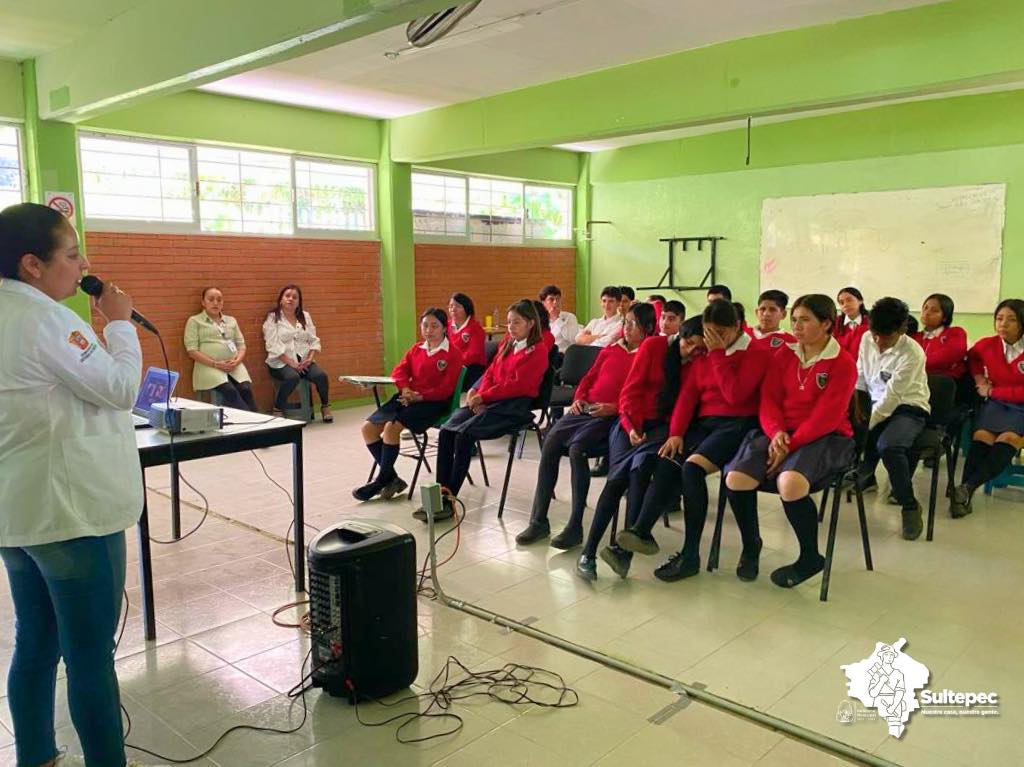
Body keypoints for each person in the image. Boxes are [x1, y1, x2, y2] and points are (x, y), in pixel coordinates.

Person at [0, 203, 168, 767]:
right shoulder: (48, 318)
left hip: (18, 515)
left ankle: (36, 757)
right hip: (70, 515)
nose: (83, 264)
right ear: (31, 264)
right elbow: (122, 386)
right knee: (89, 656)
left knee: (35, 644)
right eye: (71, 255)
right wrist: (117, 321)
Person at [614, 300, 770, 580]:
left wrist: (719, 354)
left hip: (738, 425)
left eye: (719, 333)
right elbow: (689, 395)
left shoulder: (753, 352)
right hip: (705, 424)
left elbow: (735, 395)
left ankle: (693, 553)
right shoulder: (707, 353)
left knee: (692, 469)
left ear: (736, 328)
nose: (712, 340)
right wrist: (676, 433)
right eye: (709, 333)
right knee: (667, 459)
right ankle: (641, 531)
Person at [724, 294, 857, 588]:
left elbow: (828, 416)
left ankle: (810, 556)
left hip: (825, 436)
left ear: (826, 324)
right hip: (780, 434)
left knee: (791, 483)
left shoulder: (842, 362)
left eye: (805, 320)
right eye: (794, 319)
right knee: (736, 478)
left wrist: (790, 445)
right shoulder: (784, 354)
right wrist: (776, 434)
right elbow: (769, 400)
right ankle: (751, 545)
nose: (796, 326)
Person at [515, 303, 656, 548]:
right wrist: (579, 398)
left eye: (632, 324)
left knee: (577, 449)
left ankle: (575, 525)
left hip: (613, 416)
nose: (626, 328)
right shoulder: (612, 349)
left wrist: (614, 407)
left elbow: (643, 395)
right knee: (550, 443)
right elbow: (589, 378)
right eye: (625, 323)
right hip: (586, 408)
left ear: (648, 328)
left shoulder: (648, 354)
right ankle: (539, 521)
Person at [575, 316, 706, 579]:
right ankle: (588, 553)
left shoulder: (697, 361)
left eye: (699, 348)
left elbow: (684, 403)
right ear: (680, 334)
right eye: (689, 343)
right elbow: (629, 392)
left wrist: (672, 432)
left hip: (661, 429)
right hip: (629, 422)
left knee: (641, 472)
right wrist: (632, 427)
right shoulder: (654, 346)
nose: (691, 351)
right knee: (616, 481)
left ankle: (623, 552)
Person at [414, 299, 549, 521]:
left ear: (531, 324)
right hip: (492, 399)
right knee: (448, 431)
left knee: (465, 435)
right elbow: (491, 372)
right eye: (509, 322)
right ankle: (439, 494)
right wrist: (476, 393)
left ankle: (449, 500)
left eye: (517, 322)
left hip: (513, 406)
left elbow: (517, 386)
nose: (511, 327)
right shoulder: (507, 342)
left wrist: (484, 397)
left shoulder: (538, 350)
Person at [354, 308, 464, 502]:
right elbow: (399, 371)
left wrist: (418, 397)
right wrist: (405, 389)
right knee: (368, 429)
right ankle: (391, 478)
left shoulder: (452, 353)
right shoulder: (417, 349)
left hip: (432, 403)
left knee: (391, 428)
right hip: (408, 397)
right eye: (425, 325)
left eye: (434, 326)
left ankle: (382, 480)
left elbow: (445, 389)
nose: (428, 330)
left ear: (444, 328)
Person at [855, 298, 931, 540]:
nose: (878, 342)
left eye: (885, 337)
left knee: (888, 446)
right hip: (876, 403)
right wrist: (857, 409)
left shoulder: (913, 353)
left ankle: (909, 505)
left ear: (901, 330)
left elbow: (893, 397)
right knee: (848, 433)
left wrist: (863, 426)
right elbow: (860, 375)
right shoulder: (867, 338)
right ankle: (863, 473)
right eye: (875, 334)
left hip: (907, 406)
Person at [950, 298, 1024, 517]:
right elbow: (972, 358)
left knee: (1007, 439)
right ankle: (964, 495)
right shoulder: (987, 344)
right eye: (999, 318)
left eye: (1011, 320)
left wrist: (992, 392)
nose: (1003, 324)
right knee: (981, 436)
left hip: (1020, 407)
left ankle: (966, 489)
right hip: (997, 405)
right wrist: (979, 379)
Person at [263, 284, 332, 422]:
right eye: (287, 296)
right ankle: (277, 408)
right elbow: (272, 345)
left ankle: (325, 406)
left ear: (299, 301)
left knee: (321, 376)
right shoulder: (273, 317)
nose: (291, 299)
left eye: (295, 297)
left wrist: (310, 359)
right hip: (280, 362)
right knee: (292, 377)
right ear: (281, 299)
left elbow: (313, 340)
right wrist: (292, 363)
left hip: (304, 360)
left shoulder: (305, 316)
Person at [183, 287, 257, 411]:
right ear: (203, 302)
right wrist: (216, 364)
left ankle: (260, 422)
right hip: (208, 367)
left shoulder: (231, 320)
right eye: (211, 299)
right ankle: (251, 421)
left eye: (219, 300)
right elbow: (192, 350)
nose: (215, 303)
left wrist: (237, 361)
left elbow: (241, 345)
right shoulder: (195, 321)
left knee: (246, 389)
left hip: (234, 365)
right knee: (230, 391)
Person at [912, 293, 968, 379]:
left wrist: (912, 364)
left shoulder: (955, 333)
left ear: (945, 317)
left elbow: (944, 359)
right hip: (919, 379)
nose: (927, 313)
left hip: (946, 380)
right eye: (925, 308)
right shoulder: (915, 337)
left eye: (934, 310)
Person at [448, 292, 487, 387]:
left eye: (457, 306)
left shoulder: (475, 328)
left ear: (467, 309)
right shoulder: (446, 325)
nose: (453, 309)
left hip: (471, 368)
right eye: (451, 306)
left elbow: (473, 355)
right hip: (451, 365)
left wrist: (453, 363)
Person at [540, 284, 579, 355]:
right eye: (551, 299)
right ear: (543, 303)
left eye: (557, 299)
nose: (555, 302)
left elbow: (573, 339)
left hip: (563, 355)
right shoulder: (540, 320)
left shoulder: (569, 317)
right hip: (545, 354)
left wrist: (557, 319)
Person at [835, 286, 870, 359]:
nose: (845, 305)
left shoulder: (871, 322)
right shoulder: (835, 322)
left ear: (860, 301)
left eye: (849, 300)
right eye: (841, 303)